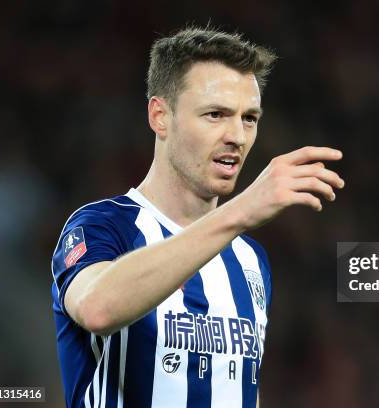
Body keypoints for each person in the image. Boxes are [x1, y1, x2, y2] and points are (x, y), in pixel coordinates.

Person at [51, 26, 344, 408]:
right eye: (215, 114)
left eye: (249, 118)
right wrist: (241, 211)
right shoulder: (101, 225)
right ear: (160, 116)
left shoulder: (250, 260)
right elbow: (96, 308)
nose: (237, 136)